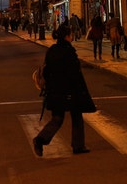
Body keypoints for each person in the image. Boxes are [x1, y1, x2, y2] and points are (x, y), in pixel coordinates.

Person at [33, 24, 96, 157]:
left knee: (57, 118)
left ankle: (40, 139)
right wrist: (81, 92)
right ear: (67, 36)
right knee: (77, 116)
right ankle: (78, 145)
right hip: (70, 91)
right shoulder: (69, 52)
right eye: (70, 34)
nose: (72, 36)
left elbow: (47, 70)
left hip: (54, 91)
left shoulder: (52, 50)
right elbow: (74, 74)